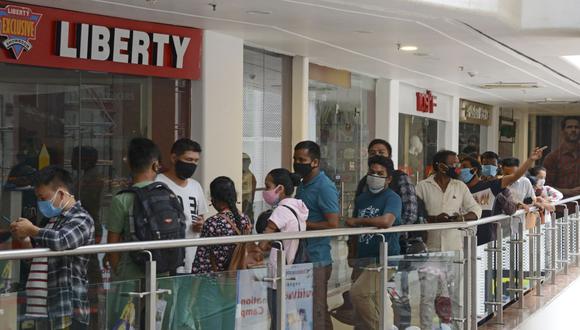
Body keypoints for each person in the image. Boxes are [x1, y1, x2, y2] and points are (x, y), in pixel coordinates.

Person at [10, 165, 95, 330]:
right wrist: (25, 239)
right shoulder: (50, 222)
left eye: (43, 198)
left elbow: (61, 240)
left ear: (61, 194)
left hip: (66, 308)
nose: (41, 203)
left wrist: (32, 230)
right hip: (43, 309)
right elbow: (36, 260)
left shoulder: (81, 218)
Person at [346, 156, 402, 329]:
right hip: (362, 258)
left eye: (380, 173)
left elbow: (386, 221)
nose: (375, 176)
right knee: (376, 301)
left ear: (389, 178)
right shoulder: (362, 198)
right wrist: (352, 252)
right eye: (372, 172)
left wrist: (358, 221)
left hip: (384, 259)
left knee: (359, 294)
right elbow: (354, 231)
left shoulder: (392, 198)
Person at [192, 176, 251, 330]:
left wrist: (192, 292)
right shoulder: (245, 220)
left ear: (215, 198)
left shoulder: (212, 223)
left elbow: (201, 263)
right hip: (234, 282)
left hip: (213, 284)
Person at [294, 140, 339, 330]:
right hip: (301, 257)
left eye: (301, 159)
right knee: (304, 309)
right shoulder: (303, 184)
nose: (297, 163)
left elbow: (332, 223)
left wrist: (303, 225)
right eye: (295, 159)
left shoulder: (324, 186)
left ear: (315, 162)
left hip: (317, 259)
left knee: (318, 310)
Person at [257, 168, 308, 330]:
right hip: (294, 269)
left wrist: (254, 248)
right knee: (288, 318)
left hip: (279, 273)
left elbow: (263, 244)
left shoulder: (281, 211)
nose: (265, 191)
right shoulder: (298, 208)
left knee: (278, 319)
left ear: (280, 188)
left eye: (267, 186)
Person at [460, 147, 545, 245]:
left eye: (464, 167)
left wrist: (531, 159)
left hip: (487, 241)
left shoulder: (491, 186)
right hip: (463, 241)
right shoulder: (459, 189)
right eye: (459, 166)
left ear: (474, 170)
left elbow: (515, 176)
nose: (460, 170)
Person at [105, 138, 162, 282]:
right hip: (163, 274)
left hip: (130, 276)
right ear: (156, 165)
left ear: (129, 164)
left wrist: (119, 270)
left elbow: (112, 244)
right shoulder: (168, 195)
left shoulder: (122, 199)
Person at [157, 138, 208, 274]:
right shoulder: (158, 183)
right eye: (188, 159)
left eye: (196, 161)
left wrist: (200, 224)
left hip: (192, 257)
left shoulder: (195, 186)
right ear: (174, 158)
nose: (193, 164)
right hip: (167, 257)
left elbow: (201, 216)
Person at [415, 150, 482, 251]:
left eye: (458, 164)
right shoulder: (422, 186)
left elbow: (476, 209)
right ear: (442, 167)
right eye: (454, 164)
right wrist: (435, 219)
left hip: (454, 246)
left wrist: (461, 218)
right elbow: (415, 215)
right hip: (429, 247)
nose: (458, 168)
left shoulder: (460, 186)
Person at [71, 146, 105, 330]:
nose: (72, 161)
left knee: (90, 266)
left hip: (89, 227)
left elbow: (87, 205)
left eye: (74, 157)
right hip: (87, 225)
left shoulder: (92, 179)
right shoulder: (84, 177)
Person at [543, 116, 580, 198]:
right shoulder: (553, 158)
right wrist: (569, 192)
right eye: (569, 127)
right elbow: (546, 188)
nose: (573, 130)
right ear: (563, 131)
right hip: (563, 208)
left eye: (576, 127)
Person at [242, 153, 257, 223]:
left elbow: (250, 191)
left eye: (246, 161)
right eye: (243, 161)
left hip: (247, 203)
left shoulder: (250, 176)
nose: (245, 163)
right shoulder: (239, 174)